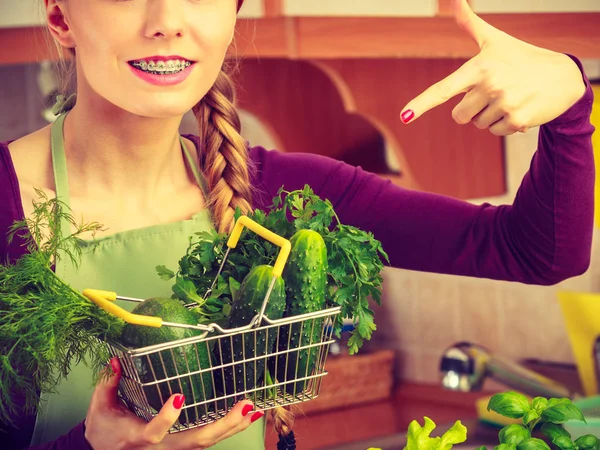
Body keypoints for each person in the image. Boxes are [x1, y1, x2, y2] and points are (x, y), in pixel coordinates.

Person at [0, 0, 594, 448]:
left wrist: (568, 102)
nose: (167, 21)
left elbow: (537, 252)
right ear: (60, 15)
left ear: (232, 15)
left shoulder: (288, 196)